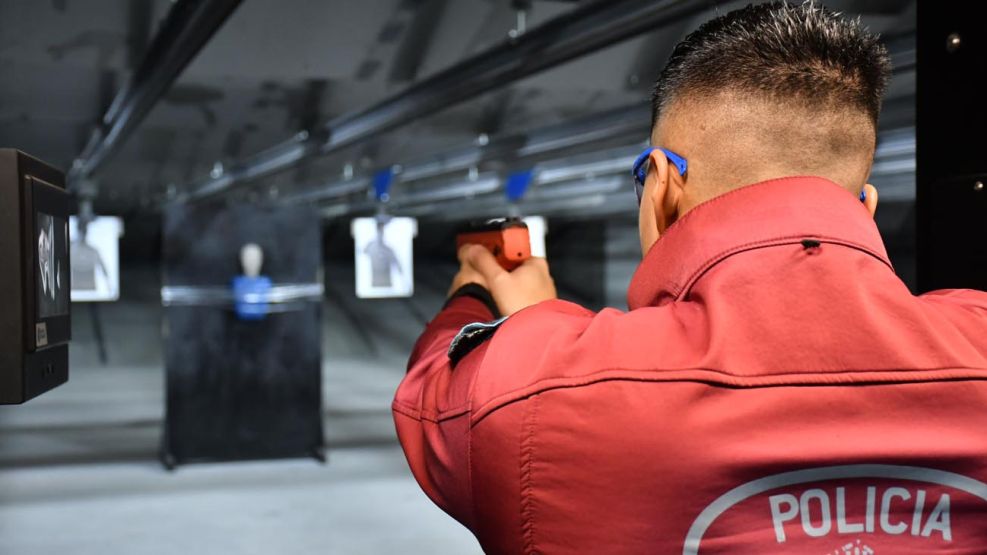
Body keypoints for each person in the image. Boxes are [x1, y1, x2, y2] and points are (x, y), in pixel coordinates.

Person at [394, 2, 987, 553]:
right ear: (867, 207)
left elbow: (432, 393)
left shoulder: (533, 388)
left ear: (662, 188)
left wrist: (494, 307)